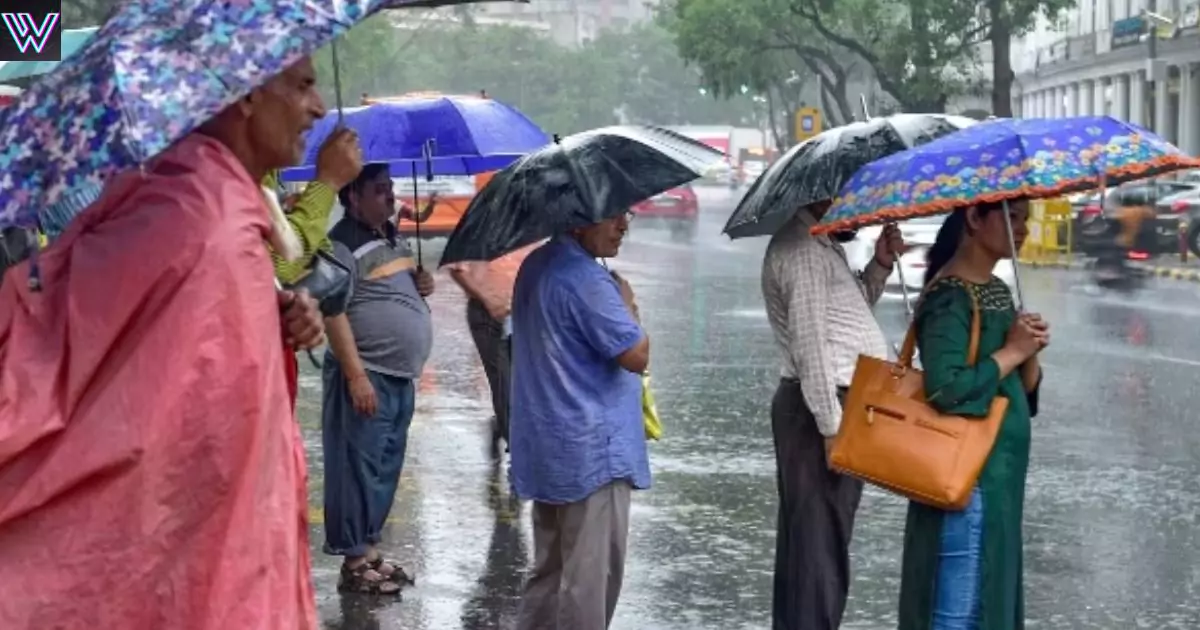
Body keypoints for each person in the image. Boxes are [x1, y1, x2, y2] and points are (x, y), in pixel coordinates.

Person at [0, 57, 327, 629]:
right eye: (301, 86)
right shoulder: (202, 222)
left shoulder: (208, 211)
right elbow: (150, 420)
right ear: (246, 95)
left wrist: (270, 316)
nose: (318, 108)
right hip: (207, 568)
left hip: (229, 554)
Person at [898, 201, 1046, 630]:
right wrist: (1013, 351)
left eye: (1026, 219)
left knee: (988, 600)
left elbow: (1021, 390)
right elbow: (946, 389)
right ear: (974, 220)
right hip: (969, 481)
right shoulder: (949, 297)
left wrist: (1029, 351)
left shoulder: (998, 290)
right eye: (1011, 217)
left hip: (1001, 479)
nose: (1023, 229)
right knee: (960, 611)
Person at [760, 201, 904, 630]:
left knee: (814, 546)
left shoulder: (821, 244)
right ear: (825, 194)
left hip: (828, 405)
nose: (863, 210)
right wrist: (830, 425)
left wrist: (879, 264)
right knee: (819, 552)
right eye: (854, 198)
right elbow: (811, 347)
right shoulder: (803, 250)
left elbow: (848, 314)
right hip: (820, 410)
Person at [510, 211, 649, 630]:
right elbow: (635, 355)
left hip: (550, 446)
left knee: (550, 574)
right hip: (593, 453)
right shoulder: (587, 280)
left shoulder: (536, 264)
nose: (623, 226)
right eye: (611, 216)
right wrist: (628, 307)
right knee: (590, 583)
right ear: (577, 220)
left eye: (626, 214)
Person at [322, 162, 436, 594]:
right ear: (353, 197)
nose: (391, 197)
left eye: (391, 188)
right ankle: (353, 563)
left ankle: (369, 550)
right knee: (356, 468)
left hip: (400, 377)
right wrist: (355, 377)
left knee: (384, 468)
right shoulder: (340, 245)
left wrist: (421, 283)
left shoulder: (390, 237)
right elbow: (332, 311)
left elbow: (396, 291)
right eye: (380, 190)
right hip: (367, 375)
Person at [448, 241, 543, 457]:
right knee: (503, 381)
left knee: (526, 382)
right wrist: (487, 299)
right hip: (488, 314)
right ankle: (518, 452)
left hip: (523, 311)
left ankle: (502, 425)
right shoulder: (484, 232)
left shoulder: (531, 232)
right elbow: (458, 271)